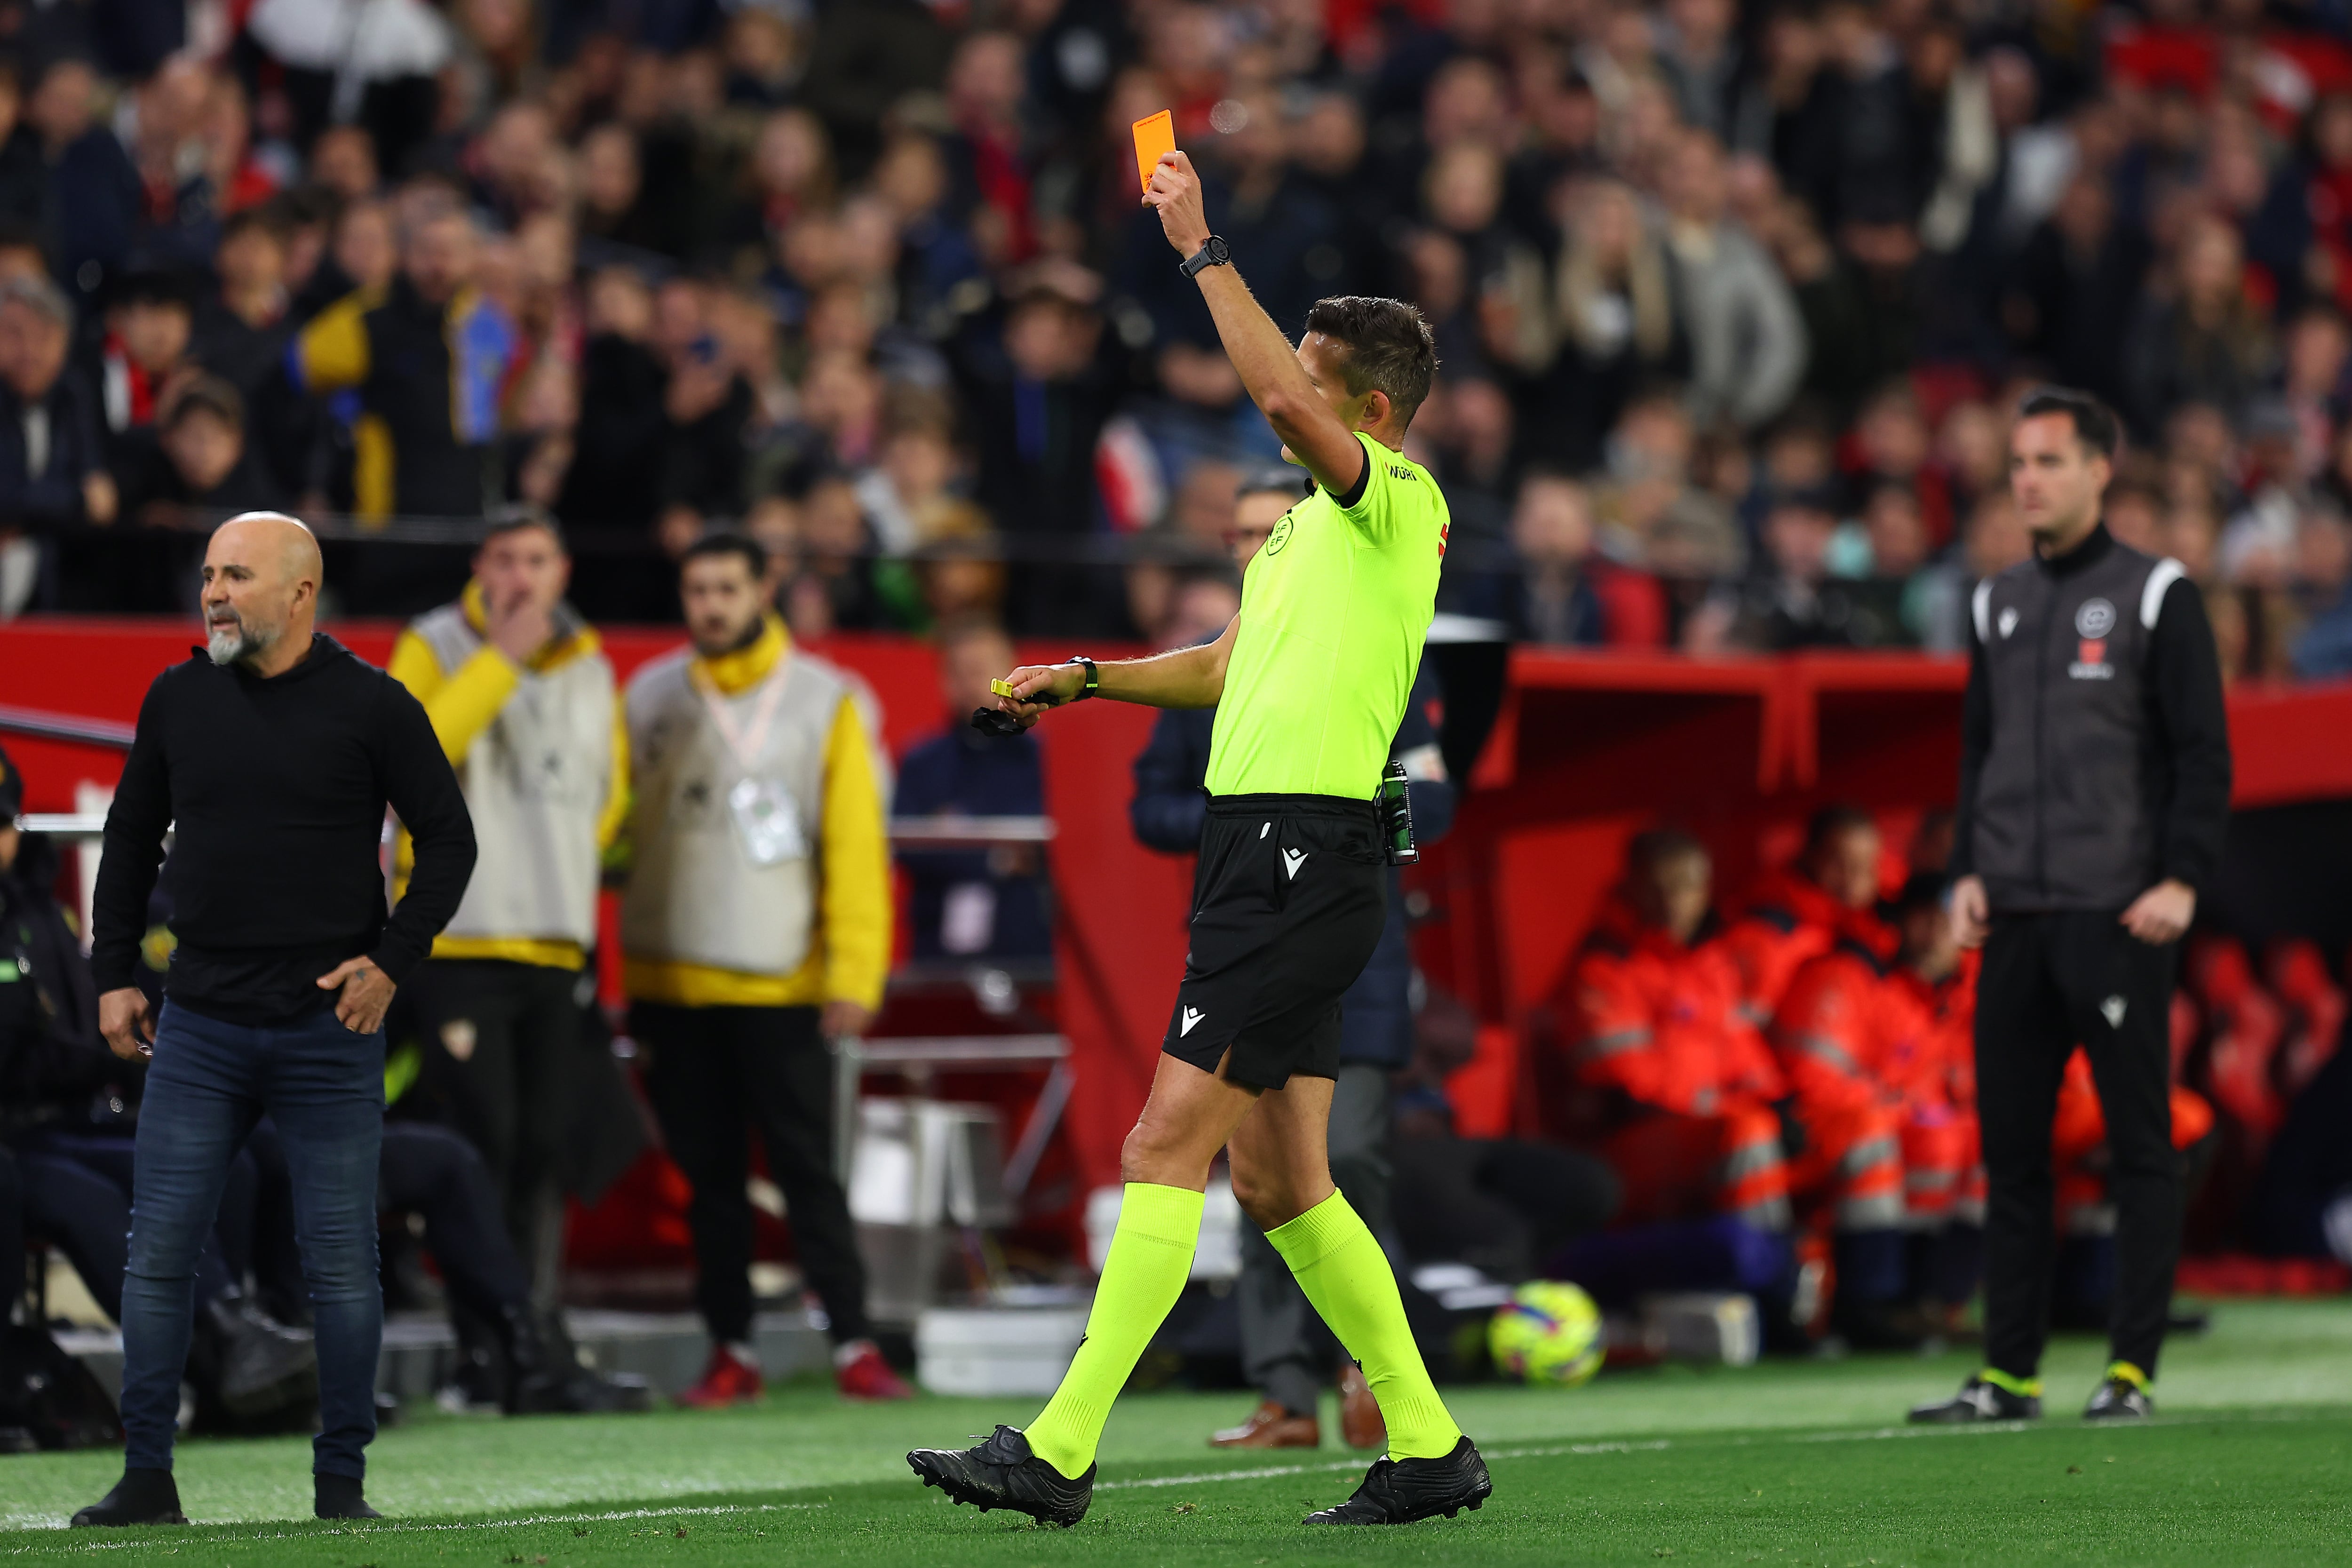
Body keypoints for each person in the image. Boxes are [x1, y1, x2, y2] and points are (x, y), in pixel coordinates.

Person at [908, 151, 1490, 1528]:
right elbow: (1228, 666)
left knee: (1160, 1143)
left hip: (1300, 849)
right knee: (1279, 1177)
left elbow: (1282, 395)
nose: (1276, 390)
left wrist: (1196, 245)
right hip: (1270, 851)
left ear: (1366, 406)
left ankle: (1055, 1450)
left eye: (1305, 370)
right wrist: (1092, 678)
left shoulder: (1393, 504)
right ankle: (1426, 1445)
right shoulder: (1303, 538)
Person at [73, 512, 476, 1526]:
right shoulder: (176, 696)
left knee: (340, 1258)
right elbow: (126, 843)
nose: (212, 591)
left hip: (326, 1029)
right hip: (198, 1023)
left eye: (236, 575)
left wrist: (391, 963)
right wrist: (111, 973)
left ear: (301, 592)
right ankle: (147, 1475)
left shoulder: (372, 704)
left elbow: (451, 840)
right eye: (208, 573)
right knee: (159, 1249)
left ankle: (341, 1486)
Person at [1910, 388, 2231, 1426]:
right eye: (2018, 464)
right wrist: (1966, 866)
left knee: (2139, 1146)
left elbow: (2201, 753)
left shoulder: (2156, 594)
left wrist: (2181, 876)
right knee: (2012, 1154)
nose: (2028, 481)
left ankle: (2129, 1370)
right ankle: (2009, 1374)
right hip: (2012, 916)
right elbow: (1979, 751)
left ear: (2102, 469)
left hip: (2115, 914)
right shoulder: (1996, 600)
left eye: (2048, 460)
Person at [1127, 466, 1454, 1453]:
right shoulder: (1226, 650)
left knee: (1332, 1160)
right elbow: (1149, 805)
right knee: (1260, 1172)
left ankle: (1372, 1378)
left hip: (1345, 933)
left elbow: (1431, 798)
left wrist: (1337, 819)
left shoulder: (1379, 634)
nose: (1256, 546)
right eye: (1241, 534)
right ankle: (1288, 1391)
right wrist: (1246, 823)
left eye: (1273, 527)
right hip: (1249, 898)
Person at [619, 532, 911, 1407]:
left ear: (763, 591)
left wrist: (857, 973)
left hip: (784, 982)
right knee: (708, 1185)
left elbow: (857, 848)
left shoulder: (827, 700)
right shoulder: (648, 695)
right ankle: (731, 1346)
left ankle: (855, 1341)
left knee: (808, 1172)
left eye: (725, 588)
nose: (709, 604)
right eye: (696, 588)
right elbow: (612, 827)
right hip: (670, 984)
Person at [388, 511, 625, 1313]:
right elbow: (409, 755)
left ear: (562, 572)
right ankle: (476, 1336)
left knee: (541, 1148)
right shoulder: (434, 643)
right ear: (479, 568)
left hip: (555, 941)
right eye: (505, 559)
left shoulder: (591, 663)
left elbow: (608, 793)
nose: (521, 577)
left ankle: (526, 1329)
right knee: (477, 1145)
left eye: (537, 559)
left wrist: (556, 860)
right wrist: (501, 663)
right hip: (459, 940)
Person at [288, 199, 515, 519]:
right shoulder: (370, 320)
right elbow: (297, 368)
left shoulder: (488, 325)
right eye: (428, 252)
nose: (439, 266)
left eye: (451, 252)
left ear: (472, 258)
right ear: (405, 256)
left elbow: (500, 416)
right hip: (387, 520)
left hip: (467, 518)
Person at [893, 618, 1053, 964]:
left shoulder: (1046, 762)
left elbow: (1051, 848)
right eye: (957, 671)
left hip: (1027, 952)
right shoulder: (921, 762)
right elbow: (906, 846)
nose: (968, 683)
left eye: (981, 670)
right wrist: (997, 857)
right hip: (938, 954)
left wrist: (955, 835)